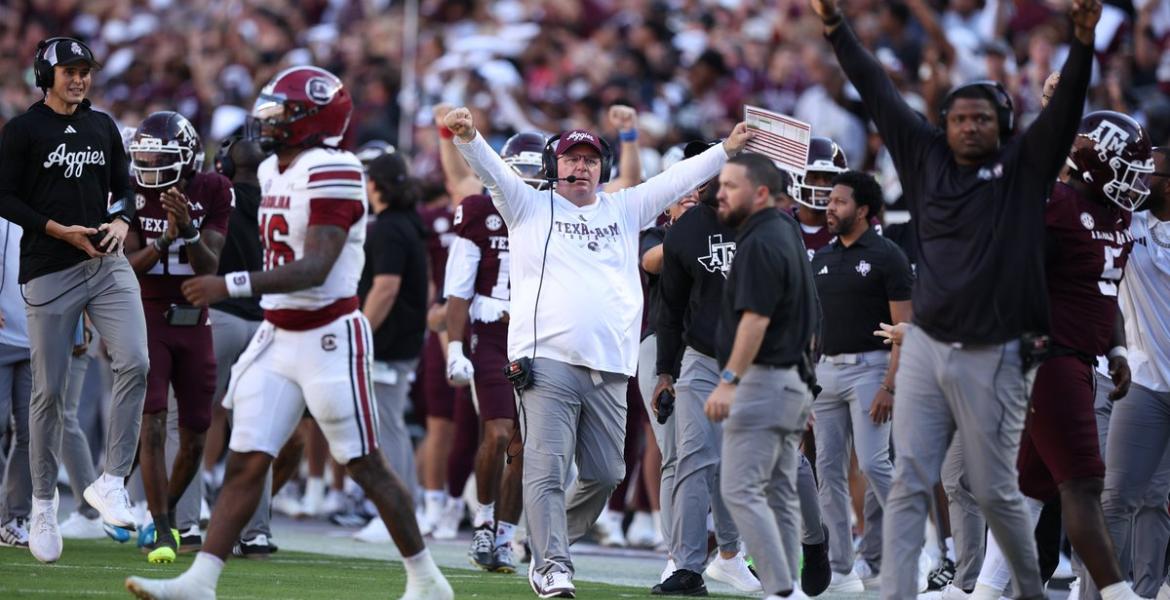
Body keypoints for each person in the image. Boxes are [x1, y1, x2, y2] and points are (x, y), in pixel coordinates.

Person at [807, 0, 1101, 596]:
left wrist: (1082, 40)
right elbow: (875, 87)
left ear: (1004, 125)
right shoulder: (922, 156)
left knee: (993, 489)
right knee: (912, 479)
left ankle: (1027, 587)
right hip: (926, 350)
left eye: (983, 119)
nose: (971, 127)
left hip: (995, 354)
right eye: (960, 118)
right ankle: (898, 592)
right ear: (943, 124)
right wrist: (836, 27)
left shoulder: (1024, 167)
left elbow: (1066, 110)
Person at [125, 65, 452, 600]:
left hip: (328, 334)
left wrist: (227, 284)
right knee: (247, 458)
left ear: (313, 119)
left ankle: (427, 579)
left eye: (281, 114)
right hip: (278, 334)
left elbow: (317, 265)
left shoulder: (336, 169)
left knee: (365, 462)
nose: (268, 123)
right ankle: (200, 582)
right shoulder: (278, 169)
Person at [445, 105, 751, 598]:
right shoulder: (527, 204)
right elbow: (493, 173)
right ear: (554, 166)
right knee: (545, 468)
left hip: (610, 366)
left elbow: (676, 180)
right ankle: (551, 567)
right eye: (572, 159)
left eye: (590, 160)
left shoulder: (623, 208)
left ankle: (544, 538)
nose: (581, 167)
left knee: (607, 473)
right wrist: (469, 136)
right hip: (546, 362)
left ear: (601, 169)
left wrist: (727, 149)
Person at [0, 36, 149, 563]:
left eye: (85, 70)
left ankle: (111, 481)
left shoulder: (103, 125)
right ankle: (42, 503)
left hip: (104, 263)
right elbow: (3, 195)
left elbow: (125, 188)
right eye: (70, 71)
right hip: (49, 269)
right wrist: (54, 229)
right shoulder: (22, 131)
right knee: (49, 395)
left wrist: (122, 218)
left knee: (135, 360)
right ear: (46, 75)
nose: (80, 79)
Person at [704, 152, 819, 600]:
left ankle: (781, 590)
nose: (720, 194)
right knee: (777, 492)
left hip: (763, 380)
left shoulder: (759, 240)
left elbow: (755, 319)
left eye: (731, 186)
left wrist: (730, 379)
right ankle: (785, 587)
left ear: (762, 193)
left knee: (739, 488)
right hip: (790, 381)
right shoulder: (786, 235)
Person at [652, 139, 760, 596]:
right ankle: (688, 565)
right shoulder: (686, 229)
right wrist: (664, 372)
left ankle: (795, 550)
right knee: (694, 458)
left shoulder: (772, 224)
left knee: (768, 464)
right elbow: (671, 308)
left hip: (761, 361)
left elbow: (802, 303)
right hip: (701, 356)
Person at [122, 110, 231, 564]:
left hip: (194, 315)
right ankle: (164, 525)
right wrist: (166, 240)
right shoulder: (128, 189)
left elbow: (210, 266)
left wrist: (186, 230)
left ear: (187, 157)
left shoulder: (214, 189)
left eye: (157, 157)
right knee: (152, 419)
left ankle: (159, 514)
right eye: (143, 156)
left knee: (196, 432)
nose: (147, 166)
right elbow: (127, 264)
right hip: (147, 312)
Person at [444, 131, 544, 573]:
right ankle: (483, 522)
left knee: (525, 446)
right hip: (491, 335)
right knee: (500, 433)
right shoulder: (478, 210)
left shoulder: (557, 212)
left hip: (538, 338)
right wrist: (453, 344)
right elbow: (458, 288)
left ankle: (505, 537)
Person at [809, 170, 913, 592]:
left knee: (873, 463)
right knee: (827, 469)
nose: (829, 208)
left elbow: (904, 327)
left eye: (839, 201)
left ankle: (912, 550)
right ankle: (841, 567)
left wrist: (891, 383)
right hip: (824, 372)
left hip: (872, 369)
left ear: (864, 210)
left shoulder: (888, 255)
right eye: (829, 201)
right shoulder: (822, 256)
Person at [1096, 145, 1170, 599]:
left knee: (1156, 503)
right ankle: (1102, 592)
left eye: (1151, 175)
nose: (1139, 183)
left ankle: (1147, 591)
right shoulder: (1127, 223)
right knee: (1116, 497)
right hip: (1143, 381)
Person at [206, 133, 278, 558]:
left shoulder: (218, 194)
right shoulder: (278, 198)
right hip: (266, 322)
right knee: (257, 428)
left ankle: (190, 513)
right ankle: (258, 530)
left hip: (222, 314)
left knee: (198, 418)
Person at [353, 144, 428, 543]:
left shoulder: (388, 228)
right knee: (389, 422)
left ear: (375, 185)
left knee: (387, 425)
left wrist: (359, 333)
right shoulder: (409, 222)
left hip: (388, 341)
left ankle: (398, 514)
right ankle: (401, 510)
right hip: (403, 338)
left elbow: (385, 288)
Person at [0, 216, 31, 548]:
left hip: (36, 337)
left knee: (31, 432)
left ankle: (13, 516)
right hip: (2, 336)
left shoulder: (45, 207)